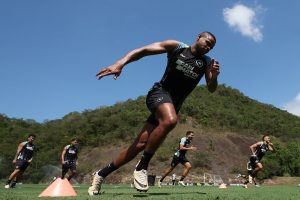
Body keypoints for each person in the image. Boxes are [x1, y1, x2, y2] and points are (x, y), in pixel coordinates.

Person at [88, 31, 220, 195]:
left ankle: (100, 175)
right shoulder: (176, 47)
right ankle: (142, 166)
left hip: (172, 105)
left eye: (211, 46)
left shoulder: (206, 62)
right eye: (207, 42)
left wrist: (214, 76)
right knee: (171, 121)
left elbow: (211, 88)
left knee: (140, 144)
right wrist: (120, 63)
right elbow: (142, 51)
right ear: (198, 36)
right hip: (159, 94)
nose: (208, 47)